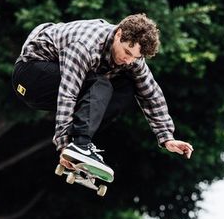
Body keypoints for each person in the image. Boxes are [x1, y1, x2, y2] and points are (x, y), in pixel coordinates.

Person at [12, 14, 193, 177]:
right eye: (127, 52)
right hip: (30, 76)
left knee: (126, 87)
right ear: (118, 34)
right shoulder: (86, 45)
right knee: (100, 83)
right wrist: (63, 145)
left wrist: (166, 137)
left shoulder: (134, 59)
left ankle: (80, 145)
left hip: (54, 86)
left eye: (135, 57)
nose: (128, 60)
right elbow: (68, 93)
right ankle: (80, 144)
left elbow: (151, 94)